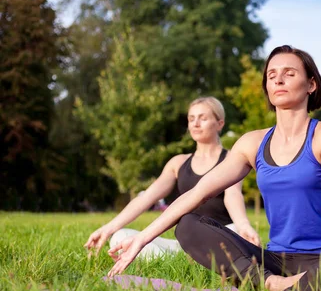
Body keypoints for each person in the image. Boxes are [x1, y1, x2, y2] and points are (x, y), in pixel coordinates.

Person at [107, 45, 321, 291]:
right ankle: (269, 285)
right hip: (275, 260)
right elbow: (198, 193)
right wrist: (142, 238)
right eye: (271, 75)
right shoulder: (252, 143)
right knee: (189, 224)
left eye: (289, 73)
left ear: (311, 85)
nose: (278, 79)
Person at [84, 97, 260, 259]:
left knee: (235, 230)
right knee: (120, 237)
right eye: (191, 119)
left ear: (219, 123)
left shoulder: (232, 159)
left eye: (203, 118)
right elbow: (146, 198)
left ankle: (205, 258)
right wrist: (109, 227)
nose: (196, 124)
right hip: (185, 243)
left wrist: (243, 225)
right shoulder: (178, 163)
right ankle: (189, 258)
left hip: (219, 238)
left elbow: (233, 194)